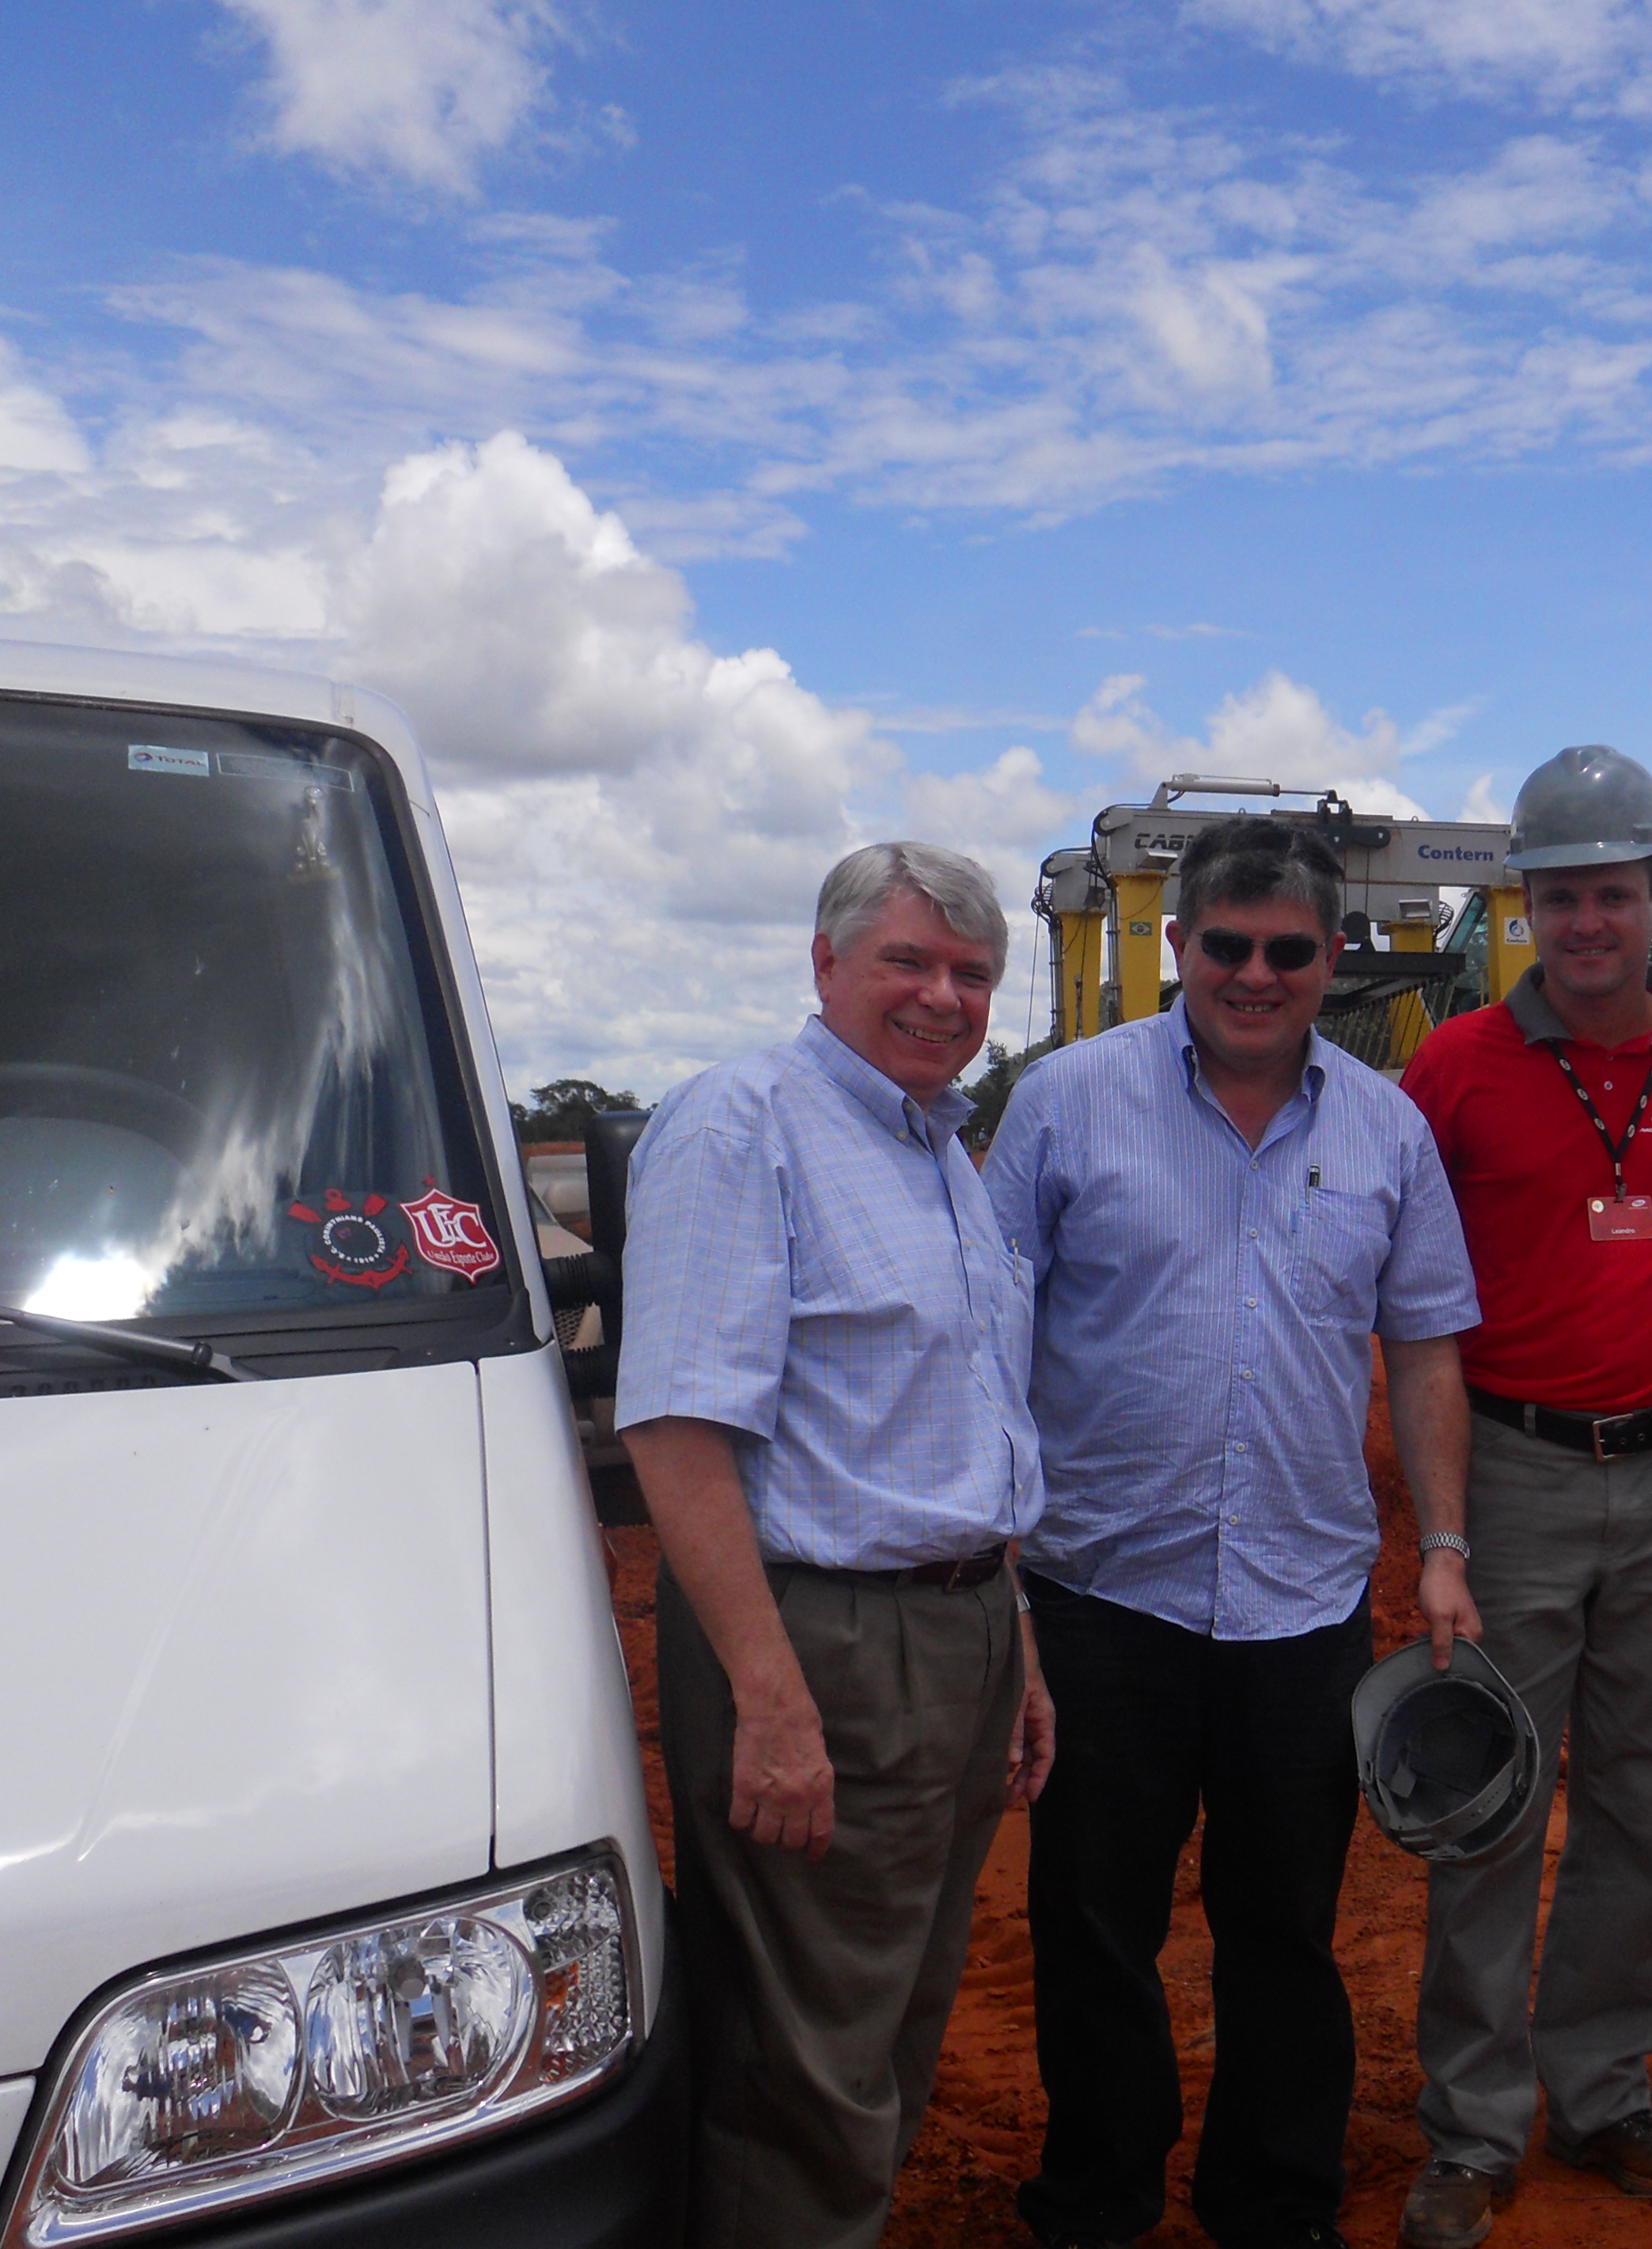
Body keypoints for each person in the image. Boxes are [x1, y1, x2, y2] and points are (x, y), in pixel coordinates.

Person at [985, 814, 1483, 2249]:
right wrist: (1003, 1563)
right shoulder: (1067, 1105)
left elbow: (1430, 1346)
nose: (1254, 975)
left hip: (1300, 1608)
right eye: (1226, 946)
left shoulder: (1386, 1128)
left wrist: (1440, 1546)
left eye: (1286, 950)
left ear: (1334, 957)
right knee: (1094, 1932)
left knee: (1285, 1938)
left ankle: (1274, 2204)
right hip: (1101, 1597)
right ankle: (1099, 2200)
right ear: (1176, 947)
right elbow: (986, 1330)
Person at [616, 841, 1057, 2249]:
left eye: (972, 974)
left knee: (893, 2012)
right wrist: (771, 1693)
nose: (943, 997)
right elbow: (678, 1433)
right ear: (826, 965)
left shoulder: (938, 1153)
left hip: (961, 1628)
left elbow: (964, 1426)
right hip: (822, 1639)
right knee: (803, 2053)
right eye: (908, 963)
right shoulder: (742, 1127)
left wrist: (1020, 1649)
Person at [1389, 747, 1652, 2249]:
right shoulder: (1455, 1068)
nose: (1587, 921)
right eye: (1559, 897)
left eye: (1613, 892)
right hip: (1519, 1474)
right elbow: (1402, 1309)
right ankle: (1474, 2131)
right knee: (1486, 1810)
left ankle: (1602, 2093)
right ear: (1521, 905)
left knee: (1641, 1808)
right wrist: (1438, 1529)